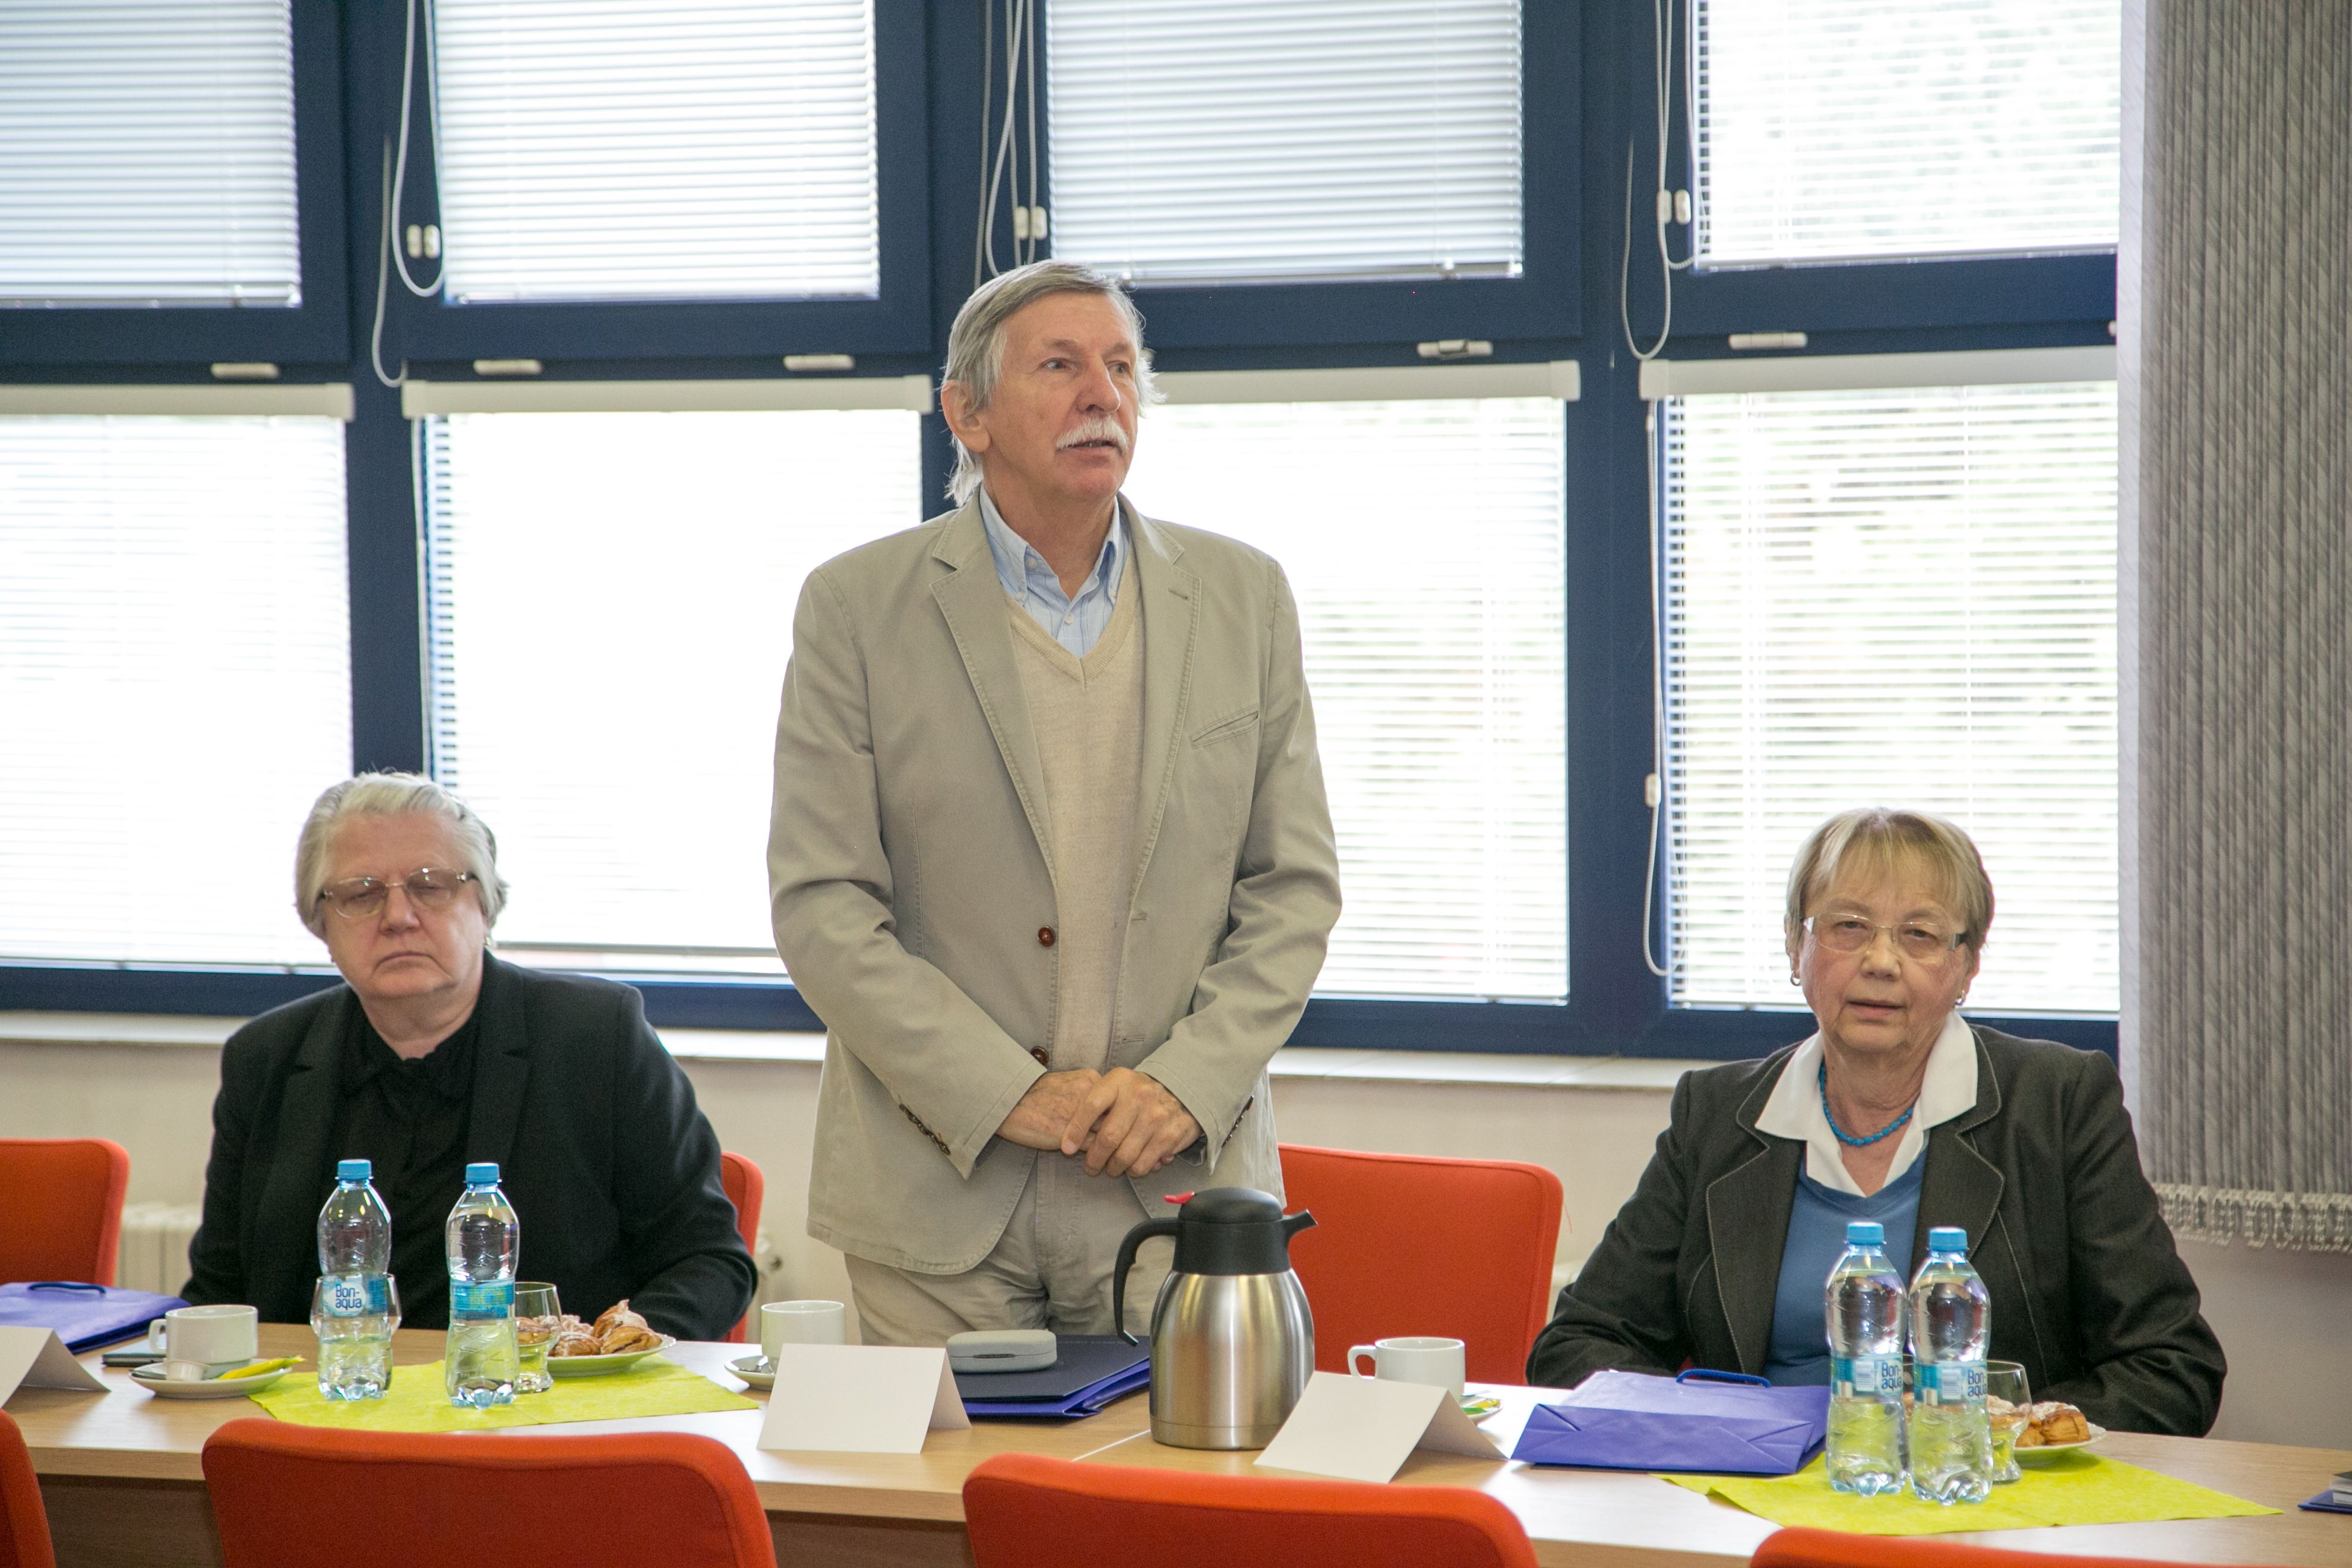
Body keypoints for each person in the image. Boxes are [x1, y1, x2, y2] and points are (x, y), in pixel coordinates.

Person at [768, 258, 1342, 1346]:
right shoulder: (855, 607)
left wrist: (1185, 1085)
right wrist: (1002, 1093)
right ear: (967, 414)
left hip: (1177, 1188)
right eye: (1062, 367)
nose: (1103, 395)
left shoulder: (1245, 597)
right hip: (935, 1194)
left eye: (1122, 368)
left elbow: (1294, 890)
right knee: (948, 1467)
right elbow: (823, 907)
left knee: (1183, 1466)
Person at [1526, 807, 2225, 1436]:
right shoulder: (1717, 1115)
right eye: (1849, 927)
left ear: (1967, 966)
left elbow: (2171, 1369)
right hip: (1757, 1498)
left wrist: (2000, 1432)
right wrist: (1732, 1428)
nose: (1882, 962)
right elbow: (1579, 1345)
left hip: (1984, 1497)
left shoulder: (2058, 1104)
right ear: (1796, 947)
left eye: (1919, 934)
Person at [184, 773, 755, 1341]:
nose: (398, 917)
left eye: (431, 886)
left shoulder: (597, 1036)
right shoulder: (266, 1059)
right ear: (320, 926)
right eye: (361, 894)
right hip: (327, 1387)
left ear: (485, 906)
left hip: (547, 1390)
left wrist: (613, 1354)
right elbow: (219, 1291)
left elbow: (707, 1260)